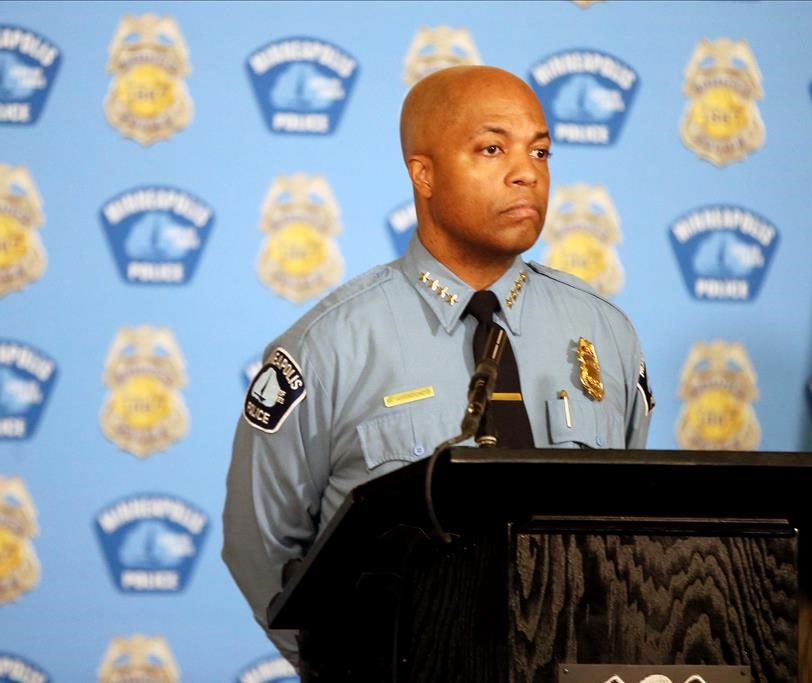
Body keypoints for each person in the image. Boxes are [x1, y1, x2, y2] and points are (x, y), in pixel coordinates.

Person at [222, 65, 654, 678]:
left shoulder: (608, 334)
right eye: (492, 148)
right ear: (423, 174)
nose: (526, 171)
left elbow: (633, 530)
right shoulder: (327, 346)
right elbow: (261, 550)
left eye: (540, 150)